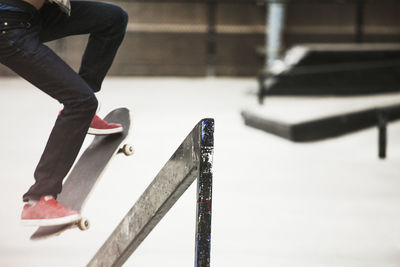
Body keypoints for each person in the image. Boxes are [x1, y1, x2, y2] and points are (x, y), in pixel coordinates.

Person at [0, 0, 128, 226]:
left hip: (35, 15)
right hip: (8, 25)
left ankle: (85, 112)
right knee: (81, 102)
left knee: (113, 18)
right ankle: (38, 200)